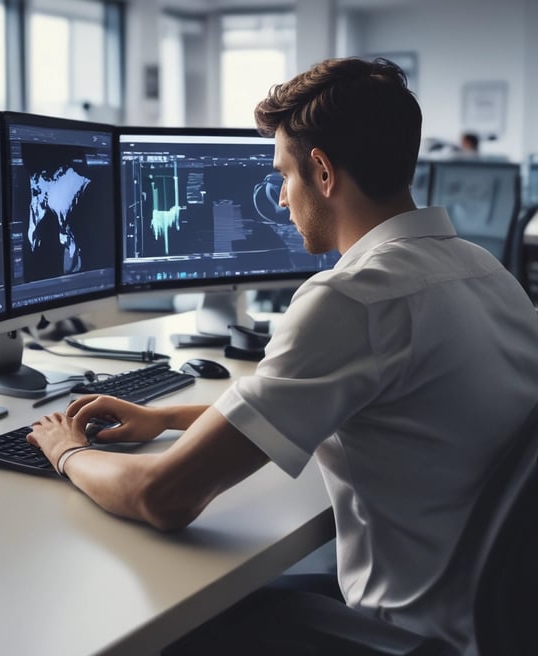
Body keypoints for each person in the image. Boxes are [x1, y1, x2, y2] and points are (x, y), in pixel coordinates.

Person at [28, 57, 538, 654]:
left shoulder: (354, 299)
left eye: (283, 175)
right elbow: (329, 406)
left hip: (409, 635)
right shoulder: (486, 271)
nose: (280, 198)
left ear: (322, 171)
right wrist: (165, 417)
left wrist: (67, 452)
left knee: (159, 625)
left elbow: (161, 497)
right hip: (484, 615)